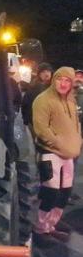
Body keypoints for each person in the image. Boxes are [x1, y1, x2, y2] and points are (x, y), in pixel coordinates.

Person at [32, 67, 81, 243]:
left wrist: (77, 141)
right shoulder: (43, 100)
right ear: (54, 80)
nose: (63, 84)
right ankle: (40, 228)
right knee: (50, 192)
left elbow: (76, 125)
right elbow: (41, 129)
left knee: (65, 192)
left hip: (68, 155)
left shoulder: (70, 101)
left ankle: (51, 224)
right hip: (51, 153)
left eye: (67, 81)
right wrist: (59, 143)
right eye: (60, 79)